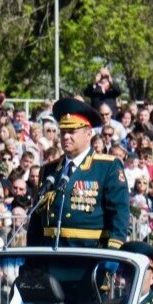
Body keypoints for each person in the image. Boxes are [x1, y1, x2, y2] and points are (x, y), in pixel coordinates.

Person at [27, 97, 129, 249]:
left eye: (72, 132)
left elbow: (119, 216)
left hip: (88, 255)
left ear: (88, 134)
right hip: (50, 257)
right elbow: (36, 221)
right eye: (63, 132)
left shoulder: (107, 167)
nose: (66, 136)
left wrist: (112, 254)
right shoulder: (49, 170)